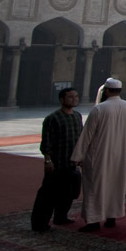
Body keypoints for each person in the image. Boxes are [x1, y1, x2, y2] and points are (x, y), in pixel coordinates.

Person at [71, 78, 126, 232]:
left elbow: (87, 135)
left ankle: (93, 221)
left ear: (107, 91)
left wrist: (77, 156)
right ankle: (112, 217)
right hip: (118, 155)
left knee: (94, 187)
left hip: (98, 155)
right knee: (115, 185)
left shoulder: (99, 109)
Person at [31, 87, 83, 232]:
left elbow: (80, 139)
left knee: (68, 192)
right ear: (61, 100)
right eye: (70, 97)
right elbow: (46, 142)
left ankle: (61, 216)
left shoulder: (77, 116)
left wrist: (81, 157)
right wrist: (48, 160)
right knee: (48, 195)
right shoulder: (52, 118)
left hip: (71, 162)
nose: (74, 99)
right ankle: (39, 223)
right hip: (57, 163)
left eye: (76, 97)